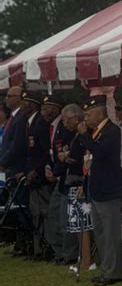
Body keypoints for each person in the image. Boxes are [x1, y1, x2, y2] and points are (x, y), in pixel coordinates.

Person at [77, 95, 122, 286]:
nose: (86, 119)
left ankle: (114, 273)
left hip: (109, 190)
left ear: (99, 113)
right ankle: (107, 269)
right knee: (101, 233)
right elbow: (91, 160)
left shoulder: (112, 131)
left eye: (88, 115)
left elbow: (100, 152)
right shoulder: (96, 131)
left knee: (110, 234)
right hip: (95, 189)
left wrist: (84, 135)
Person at [41, 95, 78, 266]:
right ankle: (60, 251)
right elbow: (58, 154)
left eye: (66, 120)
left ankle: (69, 254)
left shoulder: (74, 133)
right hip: (61, 178)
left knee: (66, 219)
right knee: (55, 215)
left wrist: (57, 170)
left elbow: (70, 157)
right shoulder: (59, 128)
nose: (64, 124)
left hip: (71, 180)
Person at [60, 104, 95, 272]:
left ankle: (87, 259)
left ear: (75, 118)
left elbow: (84, 159)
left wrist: (84, 182)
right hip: (73, 182)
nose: (64, 124)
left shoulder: (84, 135)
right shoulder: (74, 135)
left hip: (80, 182)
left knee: (83, 225)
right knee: (76, 224)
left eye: (66, 120)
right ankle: (84, 258)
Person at [20, 91, 51, 260]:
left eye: (25, 103)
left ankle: (47, 247)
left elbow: (45, 152)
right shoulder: (30, 123)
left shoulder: (40, 123)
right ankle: (39, 248)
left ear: (33, 105)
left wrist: (37, 170)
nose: (21, 106)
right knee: (36, 212)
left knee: (44, 212)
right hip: (33, 176)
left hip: (40, 177)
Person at [0, 86, 28, 256]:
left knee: (21, 207)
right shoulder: (14, 118)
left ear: (19, 97)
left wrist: (3, 162)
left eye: (10, 96)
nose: (6, 99)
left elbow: (17, 146)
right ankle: (20, 243)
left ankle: (25, 244)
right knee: (15, 207)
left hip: (17, 168)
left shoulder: (20, 118)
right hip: (11, 168)